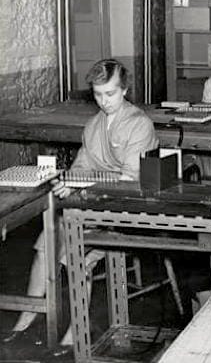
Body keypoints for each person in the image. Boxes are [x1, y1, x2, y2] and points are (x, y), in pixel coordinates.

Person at [3, 59, 159, 352]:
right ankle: (29, 319)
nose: (104, 101)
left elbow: (130, 180)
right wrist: (67, 182)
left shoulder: (139, 124)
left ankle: (75, 334)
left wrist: (83, 183)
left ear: (124, 90)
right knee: (43, 247)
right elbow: (81, 167)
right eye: (98, 94)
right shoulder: (93, 125)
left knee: (78, 255)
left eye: (110, 94)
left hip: (124, 207)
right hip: (90, 205)